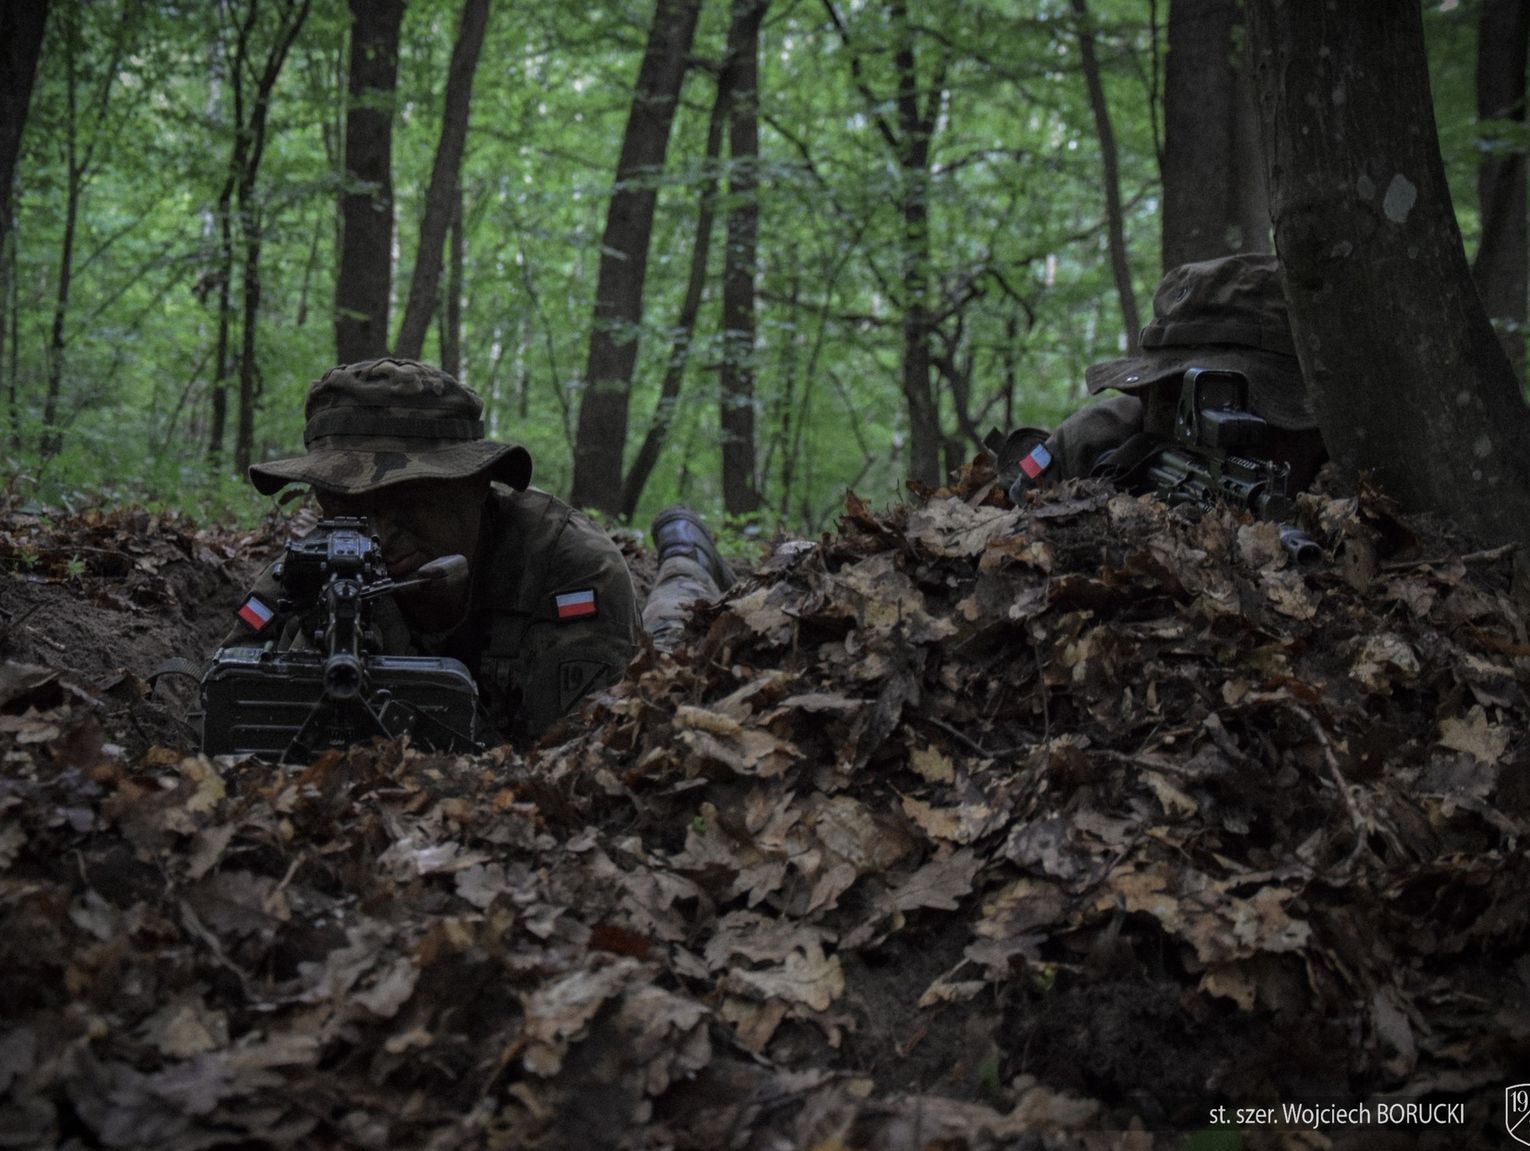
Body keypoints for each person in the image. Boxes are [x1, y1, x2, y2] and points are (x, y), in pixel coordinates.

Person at [225, 357, 639, 746]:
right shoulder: (312, 573)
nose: (380, 533)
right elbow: (210, 729)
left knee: (676, 614)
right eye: (346, 505)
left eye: (407, 499)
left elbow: (580, 760)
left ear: (476, 485)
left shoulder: (569, 569)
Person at [999, 252, 1326, 501]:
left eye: (1241, 406)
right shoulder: (1095, 439)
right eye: (1175, 394)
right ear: (1148, 391)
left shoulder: (1335, 451)